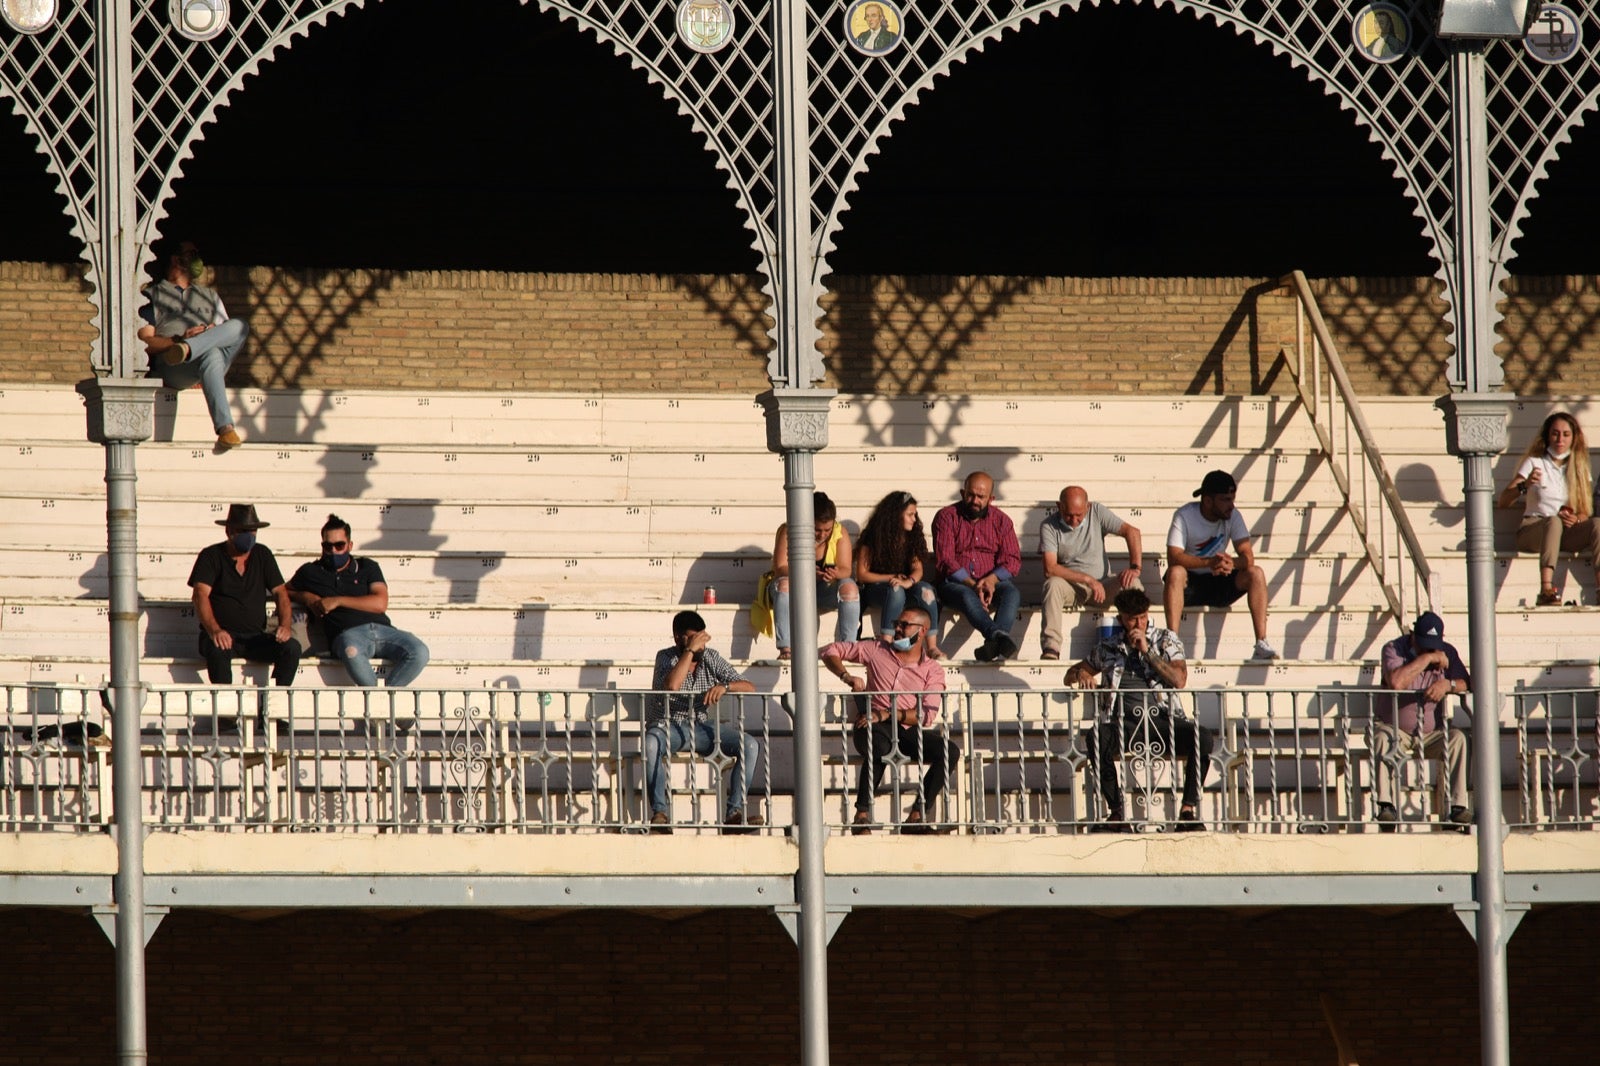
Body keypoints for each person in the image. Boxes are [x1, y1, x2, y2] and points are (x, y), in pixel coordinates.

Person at [1066, 588, 1208, 832]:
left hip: (1163, 722)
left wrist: (1147, 652)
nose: (1139, 623)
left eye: (1142, 617)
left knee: (1201, 737)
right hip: (1125, 725)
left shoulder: (1166, 639)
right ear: (1121, 618)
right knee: (1097, 738)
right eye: (1132, 618)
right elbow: (1069, 675)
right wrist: (1082, 673)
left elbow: (1179, 680)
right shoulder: (1109, 647)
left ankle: (1187, 811)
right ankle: (1117, 812)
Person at [821, 606, 956, 835]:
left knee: (950, 751)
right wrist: (847, 676)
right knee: (880, 746)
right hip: (873, 725)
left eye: (904, 625)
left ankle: (916, 815)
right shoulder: (877, 649)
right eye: (897, 623)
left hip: (905, 728)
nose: (897, 629)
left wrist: (889, 713)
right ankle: (861, 816)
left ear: (922, 631)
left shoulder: (932, 670)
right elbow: (830, 650)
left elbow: (926, 715)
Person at [646, 611, 761, 834]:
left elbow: (749, 686)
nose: (700, 645)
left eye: (701, 638)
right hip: (668, 726)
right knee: (651, 743)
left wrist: (726, 687)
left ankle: (734, 815)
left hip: (701, 727)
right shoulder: (665, 657)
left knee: (750, 745)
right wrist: (689, 651)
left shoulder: (710, 657)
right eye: (693, 639)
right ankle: (659, 814)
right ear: (678, 638)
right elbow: (672, 686)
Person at [287, 514, 431, 688]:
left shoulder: (367, 566)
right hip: (347, 634)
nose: (333, 551)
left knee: (419, 652)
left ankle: (383, 700)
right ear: (322, 546)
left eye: (339, 545)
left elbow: (380, 603)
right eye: (328, 546)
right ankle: (379, 703)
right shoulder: (310, 571)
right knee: (351, 651)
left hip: (383, 630)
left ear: (350, 545)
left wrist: (338, 601)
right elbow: (285, 590)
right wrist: (307, 597)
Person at [138, 241, 250, 450]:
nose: (198, 259)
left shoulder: (210, 296)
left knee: (240, 326)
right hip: (175, 365)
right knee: (213, 355)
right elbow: (144, 343)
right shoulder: (151, 296)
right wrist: (178, 340)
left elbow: (227, 333)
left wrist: (203, 336)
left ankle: (191, 348)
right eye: (192, 253)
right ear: (175, 259)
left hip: (202, 357)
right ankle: (225, 428)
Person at [1164, 470, 1277, 661]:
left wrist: (1230, 563)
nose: (1231, 506)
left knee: (1255, 573)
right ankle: (1172, 641)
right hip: (1191, 584)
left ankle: (1261, 641)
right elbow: (1173, 557)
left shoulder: (1233, 515)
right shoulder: (1184, 516)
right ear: (1208, 501)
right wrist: (1209, 563)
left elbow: (1248, 557)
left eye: (1232, 499)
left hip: (1219, 581)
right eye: (1226, 500)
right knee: (1175, 572)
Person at [1373, 611, 1471, 828]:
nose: (1430, 649)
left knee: (1459, 739)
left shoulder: (1447, 651)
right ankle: (1385, 806)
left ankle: (1458, 807)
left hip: (1432, 733)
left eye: (1433, 646)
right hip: (1396, 729)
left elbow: (1467, 681)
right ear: (1414, 637)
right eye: (1424, 645)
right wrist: (1427, 658)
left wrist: (1448, 685)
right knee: (1381, 737)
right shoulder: (1393, 649)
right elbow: (1397, 682)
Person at [187, 503, 301, 686]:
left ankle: (276, 703)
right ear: (229, 531)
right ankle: (226, 712)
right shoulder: (211, 555)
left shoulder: (262, 554)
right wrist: (215, 630)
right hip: (221, 635)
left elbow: (280, 592)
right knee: (217, 649)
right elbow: (200, 594)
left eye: (252, 531)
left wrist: (285, 626)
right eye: (243, 531)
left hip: (255, 637)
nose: (249, 536)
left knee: (292, 648)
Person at [1497, 411, 1600, 606]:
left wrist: (1578, 518)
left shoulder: (1579, 467)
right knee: (1553, 522)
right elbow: (1503, 501)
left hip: (1566, 533)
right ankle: (1546, 589)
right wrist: (1524, 485)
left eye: (1566, 434)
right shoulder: (1534, 462)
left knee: (1597, 524)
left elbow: (1586, 511)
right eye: (1555, 433)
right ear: (1547, 436)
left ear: (1573, 438)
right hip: (1534, 529)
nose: (1560, 439)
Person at [1039, 485, 1144, 660]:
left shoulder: (1097, 511)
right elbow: (1050, 568)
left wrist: (1135, 568)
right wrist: (1087, 580)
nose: (1073, 520)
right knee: (1051, 585)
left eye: (1079, 515)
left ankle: (1139, 638)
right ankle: (1051, 647)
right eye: (1068, 515)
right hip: (1072, 588)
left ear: (1087, 507)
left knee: (1133, 583)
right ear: (1059, 506)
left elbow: (1132, 532)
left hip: (1104, 585)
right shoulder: (1048, 526)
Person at [931, 471, 1022, 662]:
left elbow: (1013, 559)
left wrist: (991, 580)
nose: (975, 500)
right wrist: (973, 585)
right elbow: (945, 560)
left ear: (991, 498)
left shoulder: (1002, 521)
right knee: (966, 594)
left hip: (992, 582)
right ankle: (997, 636)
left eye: (981, 496)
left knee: (1012, 593)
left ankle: (993, 645)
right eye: (971, 495)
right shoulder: (946, 517)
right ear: (963, 493)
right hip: (956, 584)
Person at [770, 491, 861, 660]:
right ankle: (786, 647)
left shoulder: (840, 533)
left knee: (850, 587)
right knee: (784, 585)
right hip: (796, 588)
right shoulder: (789, 530)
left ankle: (847, 647)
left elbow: (846, 569)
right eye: (817, 529)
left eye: (827, 530)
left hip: (825, 589)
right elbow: (780, 567)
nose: (822, 535)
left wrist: (834, 573)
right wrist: (805, 573)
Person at [855, 490, 942, 658]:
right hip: (878, 589)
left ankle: (931, 646)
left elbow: (918, 569)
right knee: (895, 589)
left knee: (927, 591)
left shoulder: (912, 536)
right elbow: (862, 574)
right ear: (895, 515)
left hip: (904, 586)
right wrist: (891, 578)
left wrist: (910, 581)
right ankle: (886, 643)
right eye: (910, 514)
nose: (914, 519)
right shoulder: (873, 536)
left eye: (915, 514)